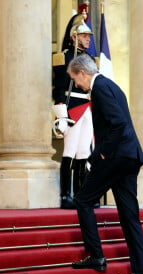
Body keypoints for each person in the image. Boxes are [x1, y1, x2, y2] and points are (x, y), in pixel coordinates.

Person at [67, 53, 143, 274]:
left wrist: (99, 154)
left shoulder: (100, 88)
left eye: (76, 79)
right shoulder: (111, 85)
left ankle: (96, 256)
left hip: (116, 157)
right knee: (129, 216)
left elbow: (118, 125)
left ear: (83, 73)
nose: (77, 84)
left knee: (83, 200)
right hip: (129, 157)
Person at [52, 6, 95, 209]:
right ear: (74, 36)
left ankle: (80, 196)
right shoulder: (64, 57)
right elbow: (59, 87)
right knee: (69, 150)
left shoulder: (89, 59)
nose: (88, 39)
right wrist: (60, 112)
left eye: (88, 36)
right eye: (85, 36)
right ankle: (65, 195)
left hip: (87, 108)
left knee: (83, 152)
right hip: (73, 108)